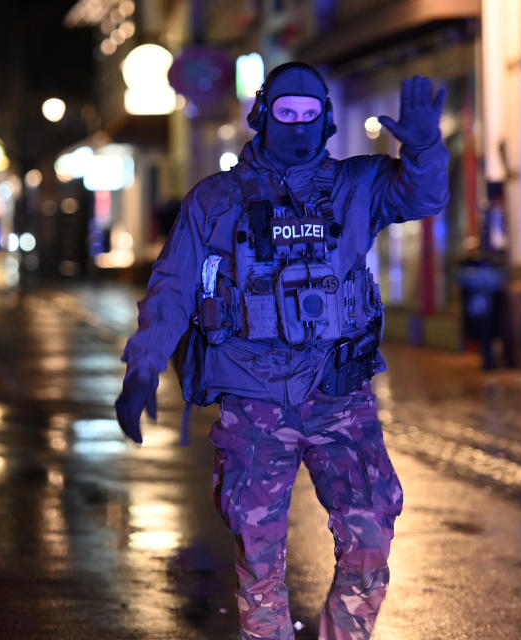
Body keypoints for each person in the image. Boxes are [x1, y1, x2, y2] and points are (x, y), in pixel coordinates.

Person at [115, 61, 449, 640]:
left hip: (339, 395)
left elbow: (422, 197)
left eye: (309, 114)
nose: (296, 125)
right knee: (259, 554)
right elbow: (171, 286)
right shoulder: (215, 201)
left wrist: (424, 149)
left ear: (325, 123)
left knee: (369, 535)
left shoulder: (357, 186)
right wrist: (143, 367)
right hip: (253, 396)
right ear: (262, 116)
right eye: (285, 113)